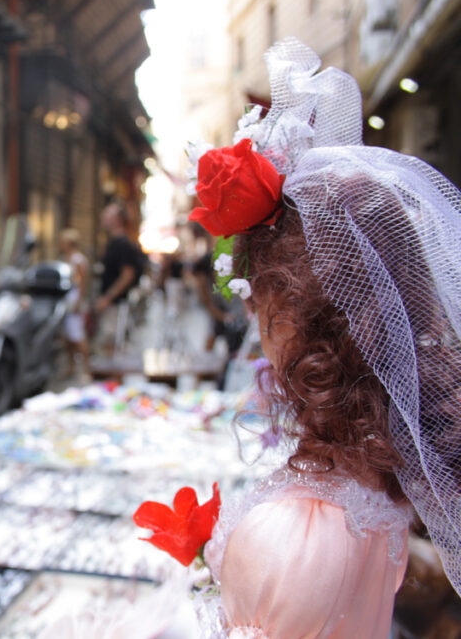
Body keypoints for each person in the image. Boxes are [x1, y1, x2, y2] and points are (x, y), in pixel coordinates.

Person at [187, 39, 460, 636]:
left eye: (261, 301)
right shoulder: (374, 481)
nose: (257, 325)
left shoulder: (296, 532)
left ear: (295, 321)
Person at [94, 202, 144, 355]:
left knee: (113, 349)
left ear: (117, 219)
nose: (103, 216)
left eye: (108, 214)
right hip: (112, 305)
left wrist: (108, 298)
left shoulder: (122, 244)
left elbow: (128, 275)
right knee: (108, 348)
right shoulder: (113, 243)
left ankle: (114, 379)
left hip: (116, 306)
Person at [59, 228, 91, 380]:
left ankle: (86, 369)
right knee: (68, 336)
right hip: (68, 299)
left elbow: (83, 283)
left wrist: (79, 301)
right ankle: (71, 366)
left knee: (77, 335)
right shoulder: (69, 258)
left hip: (74, 299)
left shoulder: (78, 260)